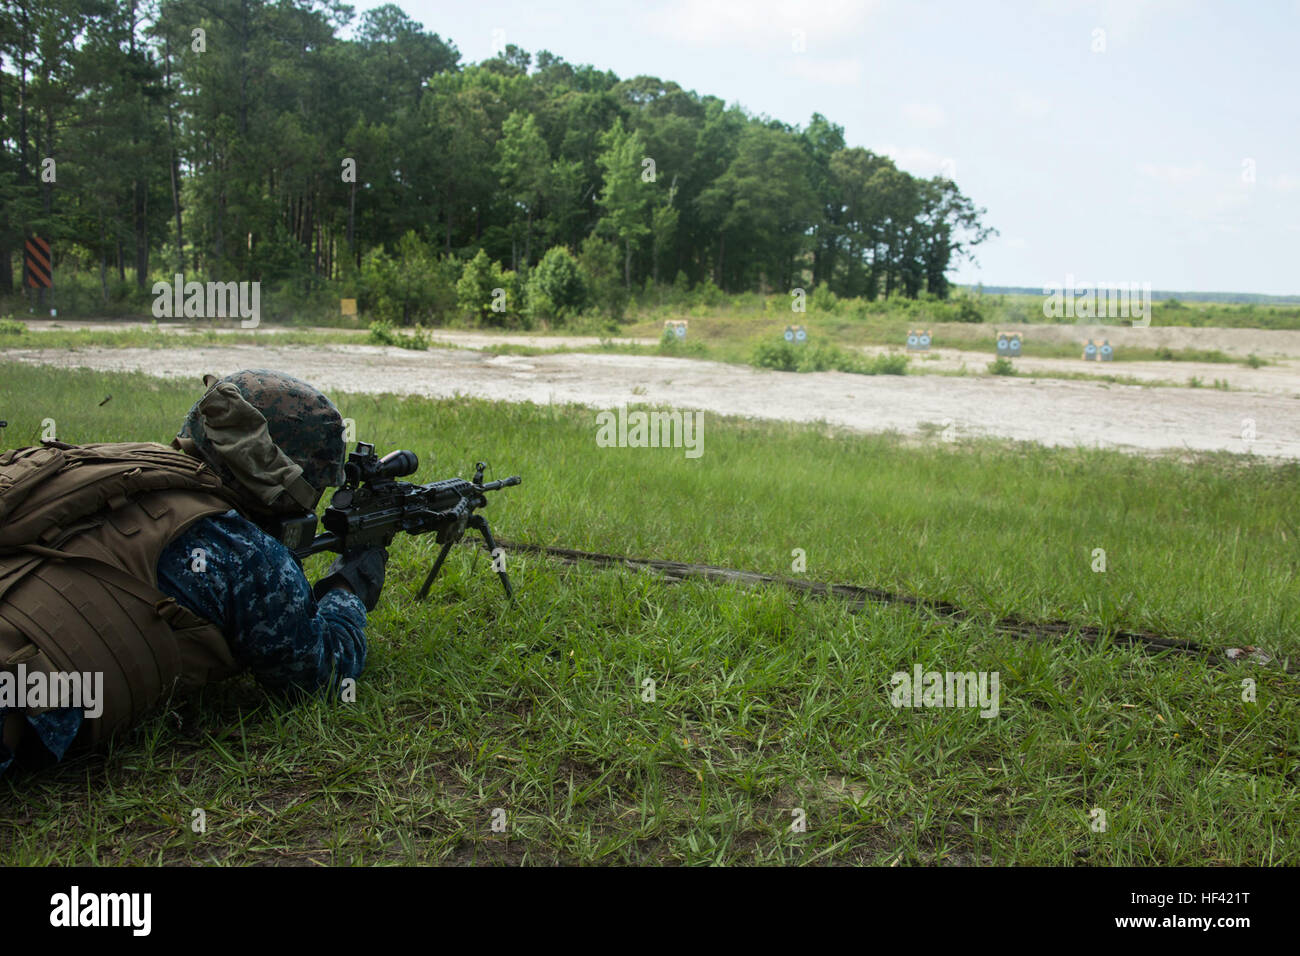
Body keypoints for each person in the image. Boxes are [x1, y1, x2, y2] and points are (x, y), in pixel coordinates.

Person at [0, 369, 389, 777]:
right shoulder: (239, 548)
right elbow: (321, 672)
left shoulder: (127, 467)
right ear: (278, 474)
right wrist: (350, 587)